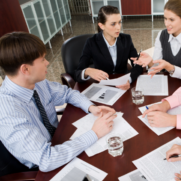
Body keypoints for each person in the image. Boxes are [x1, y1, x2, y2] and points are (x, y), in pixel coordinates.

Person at [0, 32, 116, 173]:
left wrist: (91, 107)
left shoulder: (37, 82)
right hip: (43, 167)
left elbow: (67, 93)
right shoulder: (7, 112)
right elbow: (46, 159)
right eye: (42, 59)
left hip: (60, 140)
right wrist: (95, 133)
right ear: (25, 69)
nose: (48, 62)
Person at [74, 5, 143, 90]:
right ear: (101, 26)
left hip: (123, 85)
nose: (118, 27)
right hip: (102, 86)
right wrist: (87, 71)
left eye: (119, 22)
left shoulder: (126, 39)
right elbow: (77, 74)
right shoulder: (91, 42)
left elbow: (138, 65)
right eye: (113, 24)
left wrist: (129, 79)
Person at [133, 0, 181, 82]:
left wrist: (169, 67)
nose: (166, 23)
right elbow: (157, 66)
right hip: (167, 83)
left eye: (171, 19)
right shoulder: (161, 35)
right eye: (165, 18)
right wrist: (150, 62)